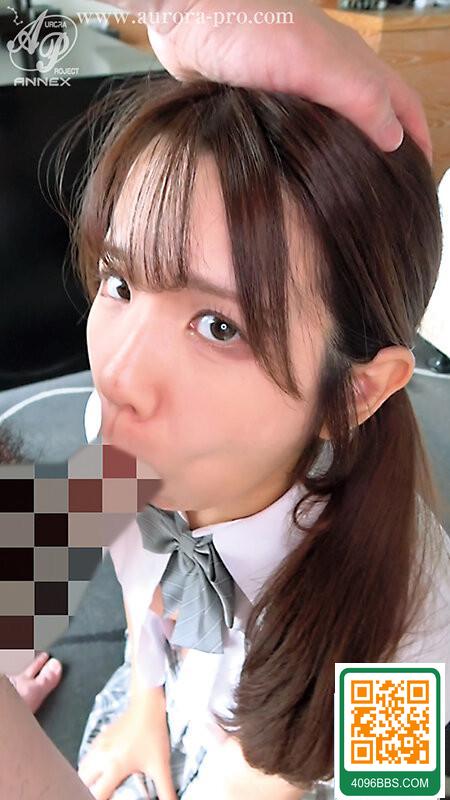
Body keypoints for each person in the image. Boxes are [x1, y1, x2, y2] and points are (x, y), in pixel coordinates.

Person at [1, 0, 433, 722]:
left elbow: (392, 772)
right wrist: (145, 699)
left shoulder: (417, 627)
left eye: (218, 326)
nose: (118, 378)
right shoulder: (115, 441)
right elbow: (117, 585)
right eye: (120, 283)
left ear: (356, 392)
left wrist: (264, 769)